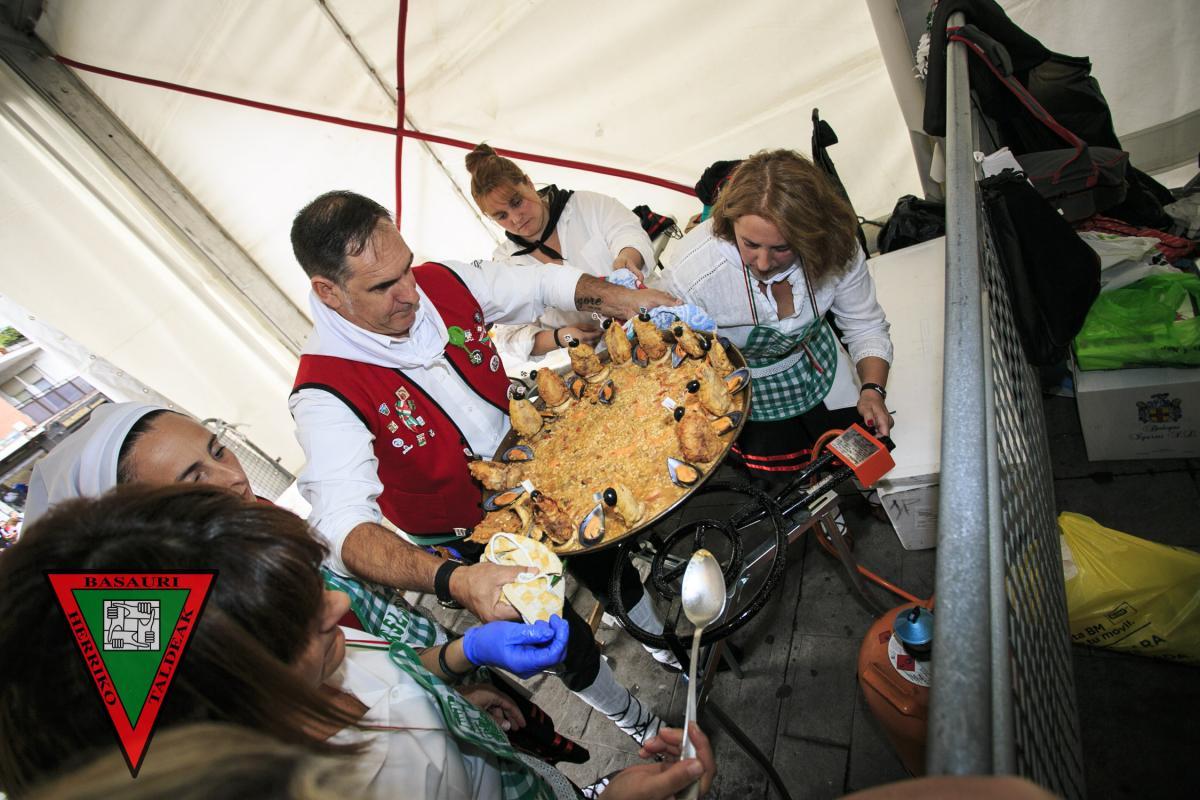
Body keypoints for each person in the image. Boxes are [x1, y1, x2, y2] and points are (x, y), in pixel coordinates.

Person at [0, 485, 717, 800]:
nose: (340, 607)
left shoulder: (285, 664)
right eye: (300, 626)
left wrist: (462, 664)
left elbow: (390, 679)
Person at [289, 190, 681, 744]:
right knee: (557, 639)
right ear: (328, 291)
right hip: (472, 534)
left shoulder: (440, 282)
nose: (409, 293)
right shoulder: (323, 392)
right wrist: (454, 579)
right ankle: (636, 723)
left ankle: (667, 650)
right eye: (382, 286)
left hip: (546, 474)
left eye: (406, 268)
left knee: (612, 568)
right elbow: (341, 525)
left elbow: (540, 284)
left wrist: (620, 298)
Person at [22, 401, 581, 757]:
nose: (232, 478)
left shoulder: (261, 524)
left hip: (442, 679)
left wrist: (459, 667)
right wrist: (449, 681)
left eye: (218, 451)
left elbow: (377, 666)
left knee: (534, 740)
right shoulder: (219, 645)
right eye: (193, 479)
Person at [654, 149, 894, 475]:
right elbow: (673, 354)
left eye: (782, 248)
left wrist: (872, 390)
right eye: (750, 244)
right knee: (786, 480)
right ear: (730, 225)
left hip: (821, 369)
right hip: (751, 396)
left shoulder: (836, 245)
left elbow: (865, 325)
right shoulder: (695, 270)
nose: (764, 264)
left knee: (857, 464)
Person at [464, 143, 657, 371]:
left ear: (528, 183)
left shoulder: (585, 205)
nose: (516, 218)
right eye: (501, 216)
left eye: (517, 202)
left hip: (653, 323)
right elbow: (510, 336)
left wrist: (628, 256)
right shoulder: (506, 264)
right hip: (602, 361)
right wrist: (561, 337)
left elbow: (627, 232)